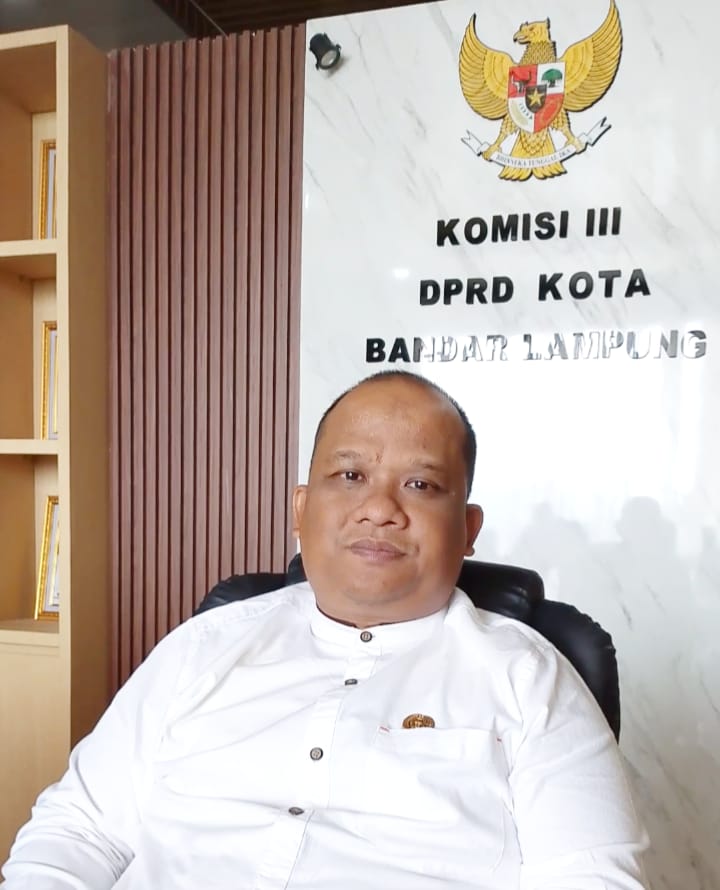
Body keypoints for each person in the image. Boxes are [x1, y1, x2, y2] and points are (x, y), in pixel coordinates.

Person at [2, 370, 648, 889]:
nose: (380, 509)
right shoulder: (203, 647)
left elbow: (591, 876)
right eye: (351, 476)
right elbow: (79, 829)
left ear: (469, 528)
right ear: (301, 508)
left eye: (421, 484)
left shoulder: (531, 679)